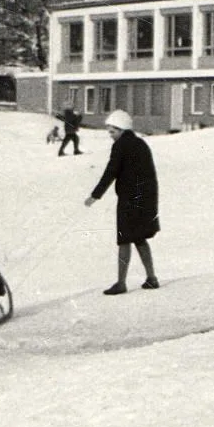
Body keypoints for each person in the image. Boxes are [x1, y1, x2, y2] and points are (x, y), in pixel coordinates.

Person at [84, 108, 159, 294]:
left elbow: (111, 171)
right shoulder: (141, 143)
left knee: (124, 240)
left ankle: (121, 282)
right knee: (140, 239)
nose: (110, 135)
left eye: (112, 131)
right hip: (145, 199)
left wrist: (95, 195)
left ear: (122, 129)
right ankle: (152, 277)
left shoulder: (120, 146)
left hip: (128, 200)